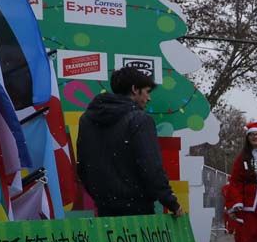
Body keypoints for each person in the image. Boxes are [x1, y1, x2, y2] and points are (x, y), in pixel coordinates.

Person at [77, 66, 182, 218]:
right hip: (138, 212)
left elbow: (82, 167)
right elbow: (151, 168)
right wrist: (171, 202)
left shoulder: (87, 120)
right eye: (147, 92)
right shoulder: (140, 120)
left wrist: (101, 197)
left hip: (104, 211)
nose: (149, 98)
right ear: (134, 89)